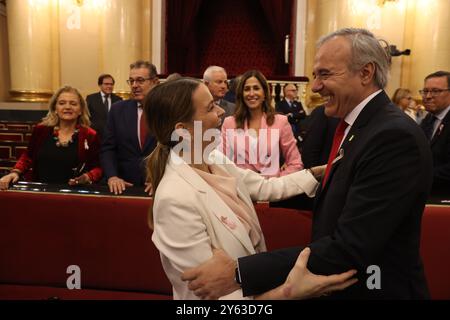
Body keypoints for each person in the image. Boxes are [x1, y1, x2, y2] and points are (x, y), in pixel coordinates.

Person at [181, 28, 433, 300]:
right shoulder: (361, 126)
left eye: (325, 74)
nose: (314, 86)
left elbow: (351, 246)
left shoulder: (392, 136)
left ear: (365, 73)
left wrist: (238, 272)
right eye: (315, 75)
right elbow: (337, 199)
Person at [144, 77, 356, 299]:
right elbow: (212, 295)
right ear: (184, 131)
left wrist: (318, 172)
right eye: (210, 108)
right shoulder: (174, 199)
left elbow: (264, 187)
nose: (220, 112)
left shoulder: (214, 158)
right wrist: (288, 293)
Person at [0, 86, 102, 190]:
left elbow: (98, 167)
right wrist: (15, 172)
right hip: (40, 192)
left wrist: (87, 177)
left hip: (73, 194)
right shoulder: (41, 130)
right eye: (62, 103)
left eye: (73, 104)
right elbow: (28, 156)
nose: (67, 107)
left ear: (80, 110)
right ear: (55, 109)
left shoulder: (90, 135)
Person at [220, 70, 303, 177]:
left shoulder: (280, 122)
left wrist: (276, 182)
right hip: (240, 189)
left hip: (271, 190)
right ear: (242, 94)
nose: (251, 93)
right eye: (246, 89)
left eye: (256, 88)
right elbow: (221, 162)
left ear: (264, 93)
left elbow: (295, 163)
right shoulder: (229, 123)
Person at [101, 60, 157, 194]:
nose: (134, 85)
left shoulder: (168, 111)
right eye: (131, 81)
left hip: (157, 188)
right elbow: (108, 148)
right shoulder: (117, 110)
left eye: (140, 80)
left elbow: (174, 151)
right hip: (123, 187)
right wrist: (112, 176)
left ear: (155, 82)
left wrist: (161, 178)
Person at [419, 71, 450, 195]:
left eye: (436, 91)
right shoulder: (428, 119)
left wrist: (417, 175)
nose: (428, 96)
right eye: (425, 91)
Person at [86, 74, 123, 141]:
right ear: (100, 85)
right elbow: (86, 117)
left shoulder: (118, 100)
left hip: (113, 138)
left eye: (111, 84)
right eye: (106, 84)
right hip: (95, 138)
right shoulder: (91, 98)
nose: (109, 86)